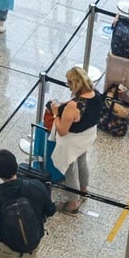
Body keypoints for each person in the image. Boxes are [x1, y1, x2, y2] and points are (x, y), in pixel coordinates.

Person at [49, 67, 100, 214]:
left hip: (72, 141)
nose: (67, 85)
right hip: (87, 136)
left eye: (69, 82)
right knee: (82, 162)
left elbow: (62, 130)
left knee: (70, 170)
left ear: (75, 84)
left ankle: (72, 204)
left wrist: (55, 114)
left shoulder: (74, 105)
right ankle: (83, 190)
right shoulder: (96, 94)